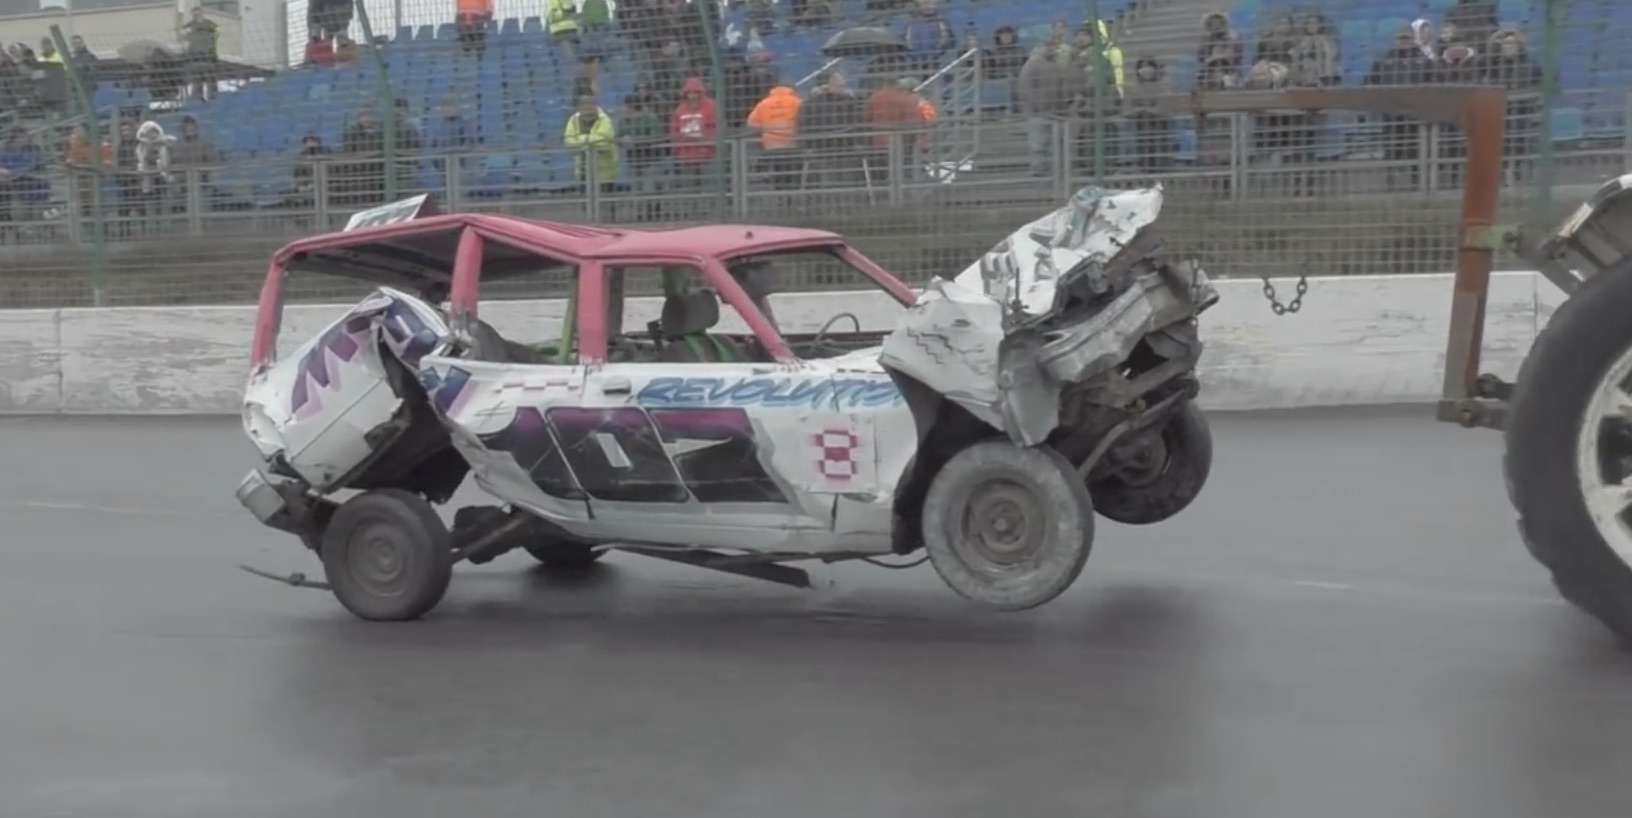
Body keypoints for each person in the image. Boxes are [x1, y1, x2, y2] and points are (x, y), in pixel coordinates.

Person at [746, 76, 802, 190]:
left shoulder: (763, 104)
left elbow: (751, 124)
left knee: (778, 175)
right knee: (794, 176)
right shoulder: (796, 102)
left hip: (771, 148)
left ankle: (780, 197)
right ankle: (792, 199)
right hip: (792, 147)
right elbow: (805, 121)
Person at [668, 76, 717, 190]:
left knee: (708, 187)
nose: (692, 96)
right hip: (686, 156)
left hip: (706, 155)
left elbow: (715, 127)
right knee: (689, 189)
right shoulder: (679, 110)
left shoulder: (711, 107)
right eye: (689, 93)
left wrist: (705, 140)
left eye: (695, 92)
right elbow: (674, 130)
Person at [564, 94, 618, 191]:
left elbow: (603, 141)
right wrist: (589, 141)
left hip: (604, 171)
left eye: (590, 104)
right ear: (579, 107)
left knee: (606, 201)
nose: (588, 108)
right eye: (584, 105)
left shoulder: (605, 119)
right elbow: (569, 141)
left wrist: (581, 140)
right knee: (585, 200)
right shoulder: (573, 120)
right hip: (583, 169)